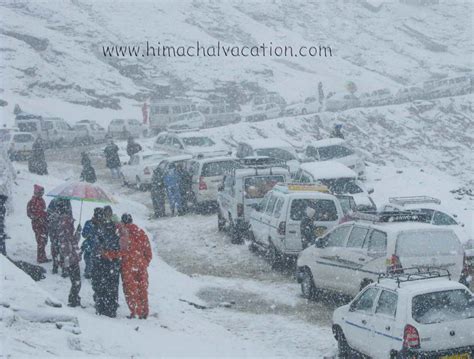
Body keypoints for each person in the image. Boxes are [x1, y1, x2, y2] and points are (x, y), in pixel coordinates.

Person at [103, 214, 152, 319]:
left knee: (131, 290)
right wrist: (144, 262)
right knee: (142, 288)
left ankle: (135, 311)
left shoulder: (123, 234)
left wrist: (107, 254)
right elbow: (148, 251)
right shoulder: (141, 232)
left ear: (123, 222)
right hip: (141, 265)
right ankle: (144, 311)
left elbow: (120, 252)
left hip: (128, 266)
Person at [93, 205, 121, 317]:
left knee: (101, 285)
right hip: (112, 262)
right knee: (112, 287)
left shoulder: (100, 230)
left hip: (102, 261)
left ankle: (102, 307)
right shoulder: (115, 231)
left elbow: (97, 246)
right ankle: (111, 308)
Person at [58, 209, 82, 307]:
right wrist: (67, 262)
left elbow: (75, 240)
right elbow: (65, 249)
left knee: (77, 282)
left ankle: (75, 298)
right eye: (72, 224)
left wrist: (78, 231)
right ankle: (73, 300)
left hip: (74, 259)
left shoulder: (69, 234)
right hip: (71, 261)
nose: (73, 225)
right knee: (76, 281)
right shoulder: (64, 235)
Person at [47, 198, 72, 274]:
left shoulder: (66, 202)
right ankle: (59, 266)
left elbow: (70, 217)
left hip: (60, 230)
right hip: (56, 230)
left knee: (60, 249)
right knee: (59, 249)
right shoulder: (55, 202)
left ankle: (60, 266)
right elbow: (49, 215)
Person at [27, 185, 50, 263]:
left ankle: (43, 256)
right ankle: (40, 258)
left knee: (44, 240)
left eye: (42, 192)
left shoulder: (42, 201)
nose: (41, 194)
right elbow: (29, 213)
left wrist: (46, 217)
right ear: (36, 192)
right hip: (37, 224)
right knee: (41, 240)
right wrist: (37, 217)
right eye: (40, 192)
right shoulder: (31, 202)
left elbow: (44, 211)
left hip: (44, 223)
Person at [81, 208, 102, 279]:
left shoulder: (101, 225)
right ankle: (88, 272)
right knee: (88, 259)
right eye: (97, 217)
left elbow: (103, 237)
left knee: (96, 260)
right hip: (89, 246)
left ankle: (93, 272)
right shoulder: (88, 223)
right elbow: (84, 234)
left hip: (98, 247)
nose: (98, 219)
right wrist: (89, 233)